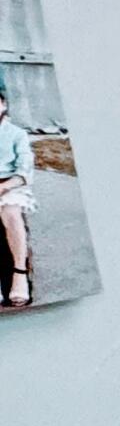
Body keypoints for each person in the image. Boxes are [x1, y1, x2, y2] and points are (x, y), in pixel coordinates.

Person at [0, 82, 34, 309]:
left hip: (11, 185)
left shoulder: (16, 134)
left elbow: (24, 170)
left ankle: (20, 274)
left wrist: (3, 187)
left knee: (11, 214)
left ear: (3, 105)